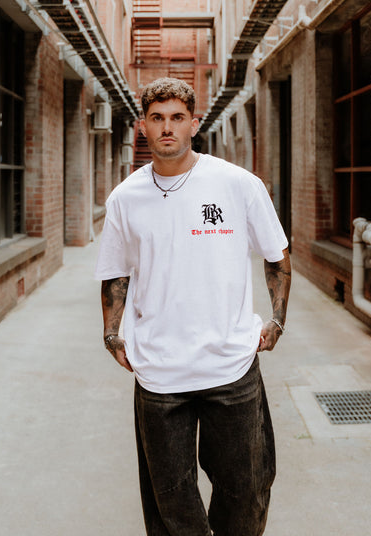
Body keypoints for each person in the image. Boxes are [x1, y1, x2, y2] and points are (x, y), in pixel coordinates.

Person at [95, 77, 291, 536]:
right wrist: (111, 333)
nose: (168, 128)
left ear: (194, 124)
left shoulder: (237, 185)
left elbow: (277, 256)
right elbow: (115, 274)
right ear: (143, 126)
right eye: (158, 118)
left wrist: (278, 318)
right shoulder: (125, 199)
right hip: (159, 370)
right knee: (170, 502)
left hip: (231, 365)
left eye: (177, 118)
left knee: (246, 492)